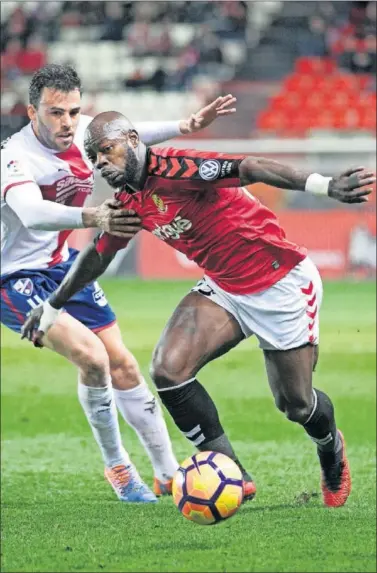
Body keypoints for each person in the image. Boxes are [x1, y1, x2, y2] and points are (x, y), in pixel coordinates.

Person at [21, 111, 375, 508]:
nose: (103, 162)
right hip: (224, 287)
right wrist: (52, 306)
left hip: (280, 283)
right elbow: (96, 256)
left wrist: (324, 185)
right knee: (167, 370)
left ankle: (330, 449)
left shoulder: (177, 168)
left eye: (108, 149)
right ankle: (231, 474)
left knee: (296, 404)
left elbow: (250, 166)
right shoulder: (127, 203)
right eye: (96, 158)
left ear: (134, 140)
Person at [0, 63, 240, 503]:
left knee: (125, 366)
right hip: (10, 278)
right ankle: (119, 468)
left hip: (58, 262)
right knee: (93, 359)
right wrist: (95, 216)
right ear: (32, 114)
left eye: (73, 111)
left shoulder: (79, 131)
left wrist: (185, 125)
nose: (67, 123)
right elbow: (32, 212)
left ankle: (169, 474)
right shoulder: (14, 156)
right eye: (55, 113)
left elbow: (132, 135)